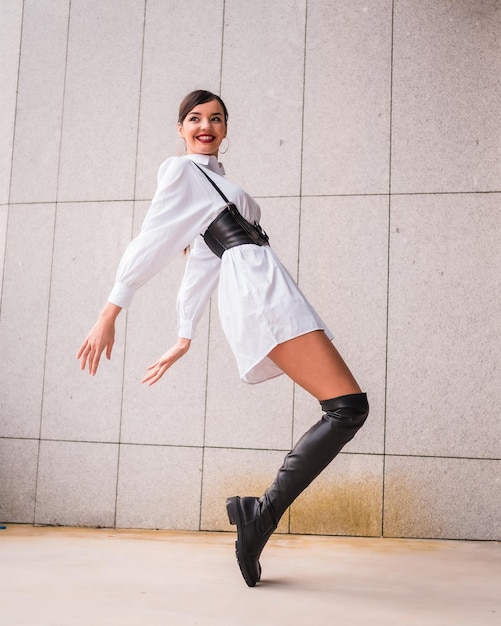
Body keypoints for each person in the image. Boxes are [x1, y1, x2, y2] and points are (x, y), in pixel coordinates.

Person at [78, 89, 369, 587]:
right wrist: (110, 311)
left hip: (269, 286)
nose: (204, 126)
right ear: (180, 128)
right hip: (259, 294)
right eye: (194, 118)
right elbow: (153, 240)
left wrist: (184, 333)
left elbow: (202, 262)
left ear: (227, 129)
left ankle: (259, 514)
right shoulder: (180, 172)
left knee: (347, 407)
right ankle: (261, 514)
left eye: (215, 118)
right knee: (348, 407)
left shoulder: (218, 183)